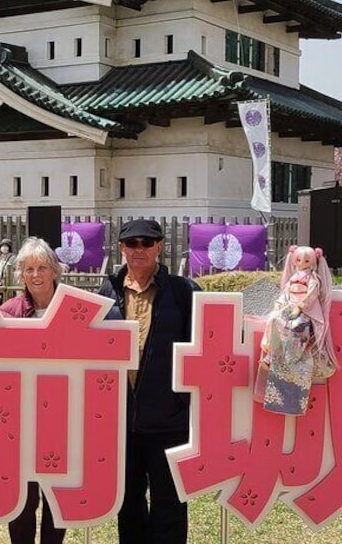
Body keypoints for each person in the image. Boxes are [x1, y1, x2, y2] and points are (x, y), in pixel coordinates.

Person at [98, 219, 199, 544]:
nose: (139, 249)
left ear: (159, 247)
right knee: (128, 504)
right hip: (120, 423)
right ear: (122, 248)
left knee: (170, 504)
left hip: (169, 421)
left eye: (146, 242)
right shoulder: (107, 293)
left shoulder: (183, 292)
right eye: (132, 243)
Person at [0, 237, 66, 544]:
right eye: (28, 269)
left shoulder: (74, 309)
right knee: (22, 498)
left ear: (55, 271)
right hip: (21, 418)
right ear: (21, 275)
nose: (36, 275)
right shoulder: (9, 310)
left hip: (63, 416)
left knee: (56, 496)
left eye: (42, 267)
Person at [257, 245, 336, 415]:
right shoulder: (293, 278)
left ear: (313, 261)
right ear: (293, 260)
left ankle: (283, 355)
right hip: (288, 308)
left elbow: (311, 296)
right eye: (298, 260)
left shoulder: (312, 278)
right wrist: (279, 306)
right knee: (274, 319)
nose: (302, 263)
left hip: (303, 313)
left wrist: (300, 307)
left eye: (306, 260)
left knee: (295, 328)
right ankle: (271, 351)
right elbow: (285, 294)